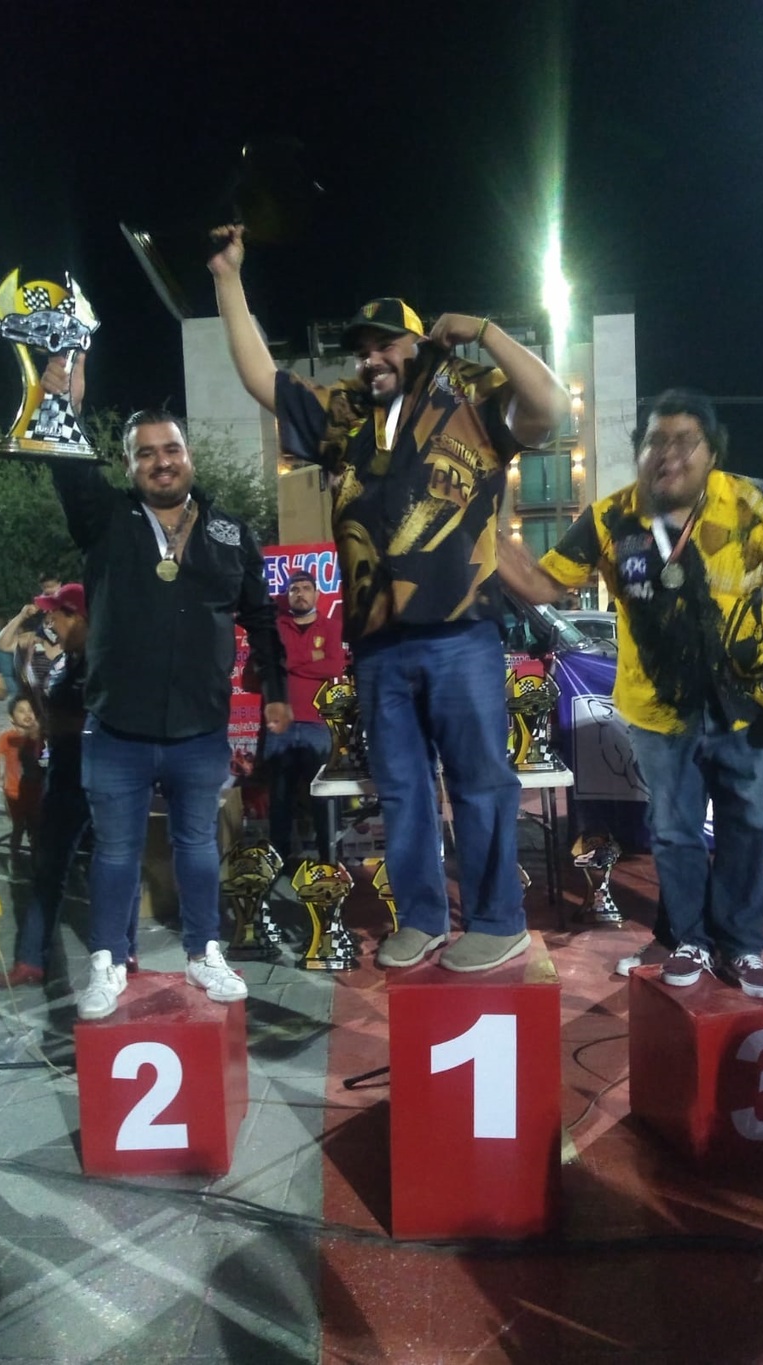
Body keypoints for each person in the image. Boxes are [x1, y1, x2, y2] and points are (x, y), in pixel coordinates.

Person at [210, 224, 569, 972]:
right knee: (402, 790)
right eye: (362, 348)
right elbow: (262, 379)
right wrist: (227, 280)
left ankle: (497, 920)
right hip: (376, 645)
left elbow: (549, 405)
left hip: (461, 633)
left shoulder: (469, 394)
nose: (371, 358)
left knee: (481, 782)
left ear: (420, 345)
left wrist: (484, 331)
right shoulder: (343, 413)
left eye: (386, 344)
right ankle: (424, 918)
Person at [498, 388, 763, 998]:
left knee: (748, 824)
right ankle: (689, 941)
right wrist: (479, 527)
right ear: (639, 451)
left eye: (686, 441)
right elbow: (542, 584)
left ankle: (742, 946)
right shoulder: (611, 518)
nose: (669, 453)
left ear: (712, 453)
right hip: (658, 712)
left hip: (746, 707)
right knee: (675, 830)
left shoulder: (751, 505)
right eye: (655, 440)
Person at [41, 354, 289, 1019]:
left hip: (199, 728)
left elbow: (261, 616)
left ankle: (205, 951)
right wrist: (65, 404)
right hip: (116, 727)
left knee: (198, 847)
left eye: (170, 449)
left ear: (189, 456)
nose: (161, 462)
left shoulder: (230, 532)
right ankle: (107, 960)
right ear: (129, 466)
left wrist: (276, 689)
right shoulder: (104, 520)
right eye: (145, 453)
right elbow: (68, 466)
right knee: (116, 851)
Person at [2, 583, 140, 986]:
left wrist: (61, 723)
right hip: (64, 777)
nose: (51, 621)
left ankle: (124, 950)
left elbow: (116, 717)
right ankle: (31, 959)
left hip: (107, 778)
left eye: (58, 613)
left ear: (80, 617)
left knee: (116, 864)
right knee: (48, 868)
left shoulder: (110, 660)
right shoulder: (69, 662)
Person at [265, 568, 346, 863]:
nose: (300, 593)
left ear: (317, 594)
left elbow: (334, 666)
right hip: (280, 724)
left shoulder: (331, 627)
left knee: (323, 799)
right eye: (294, 589)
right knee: (280, 799)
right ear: (288, 596)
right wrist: (311, 658)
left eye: (306, 588)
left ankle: (329, 863)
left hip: (317, 724)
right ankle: (278, 864)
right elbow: (268, 664)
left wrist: (289, 661)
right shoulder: (275, 628)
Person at [0, 694, 45, 856]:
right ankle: (14, 858)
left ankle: (36, 859)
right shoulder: (7, 737)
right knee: (18, 827)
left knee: (36, 829)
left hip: (38, 792)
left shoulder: (41, 738)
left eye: (31, 710)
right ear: (11, 718)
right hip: (14, 793)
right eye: (21, 711)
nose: (27, 714)